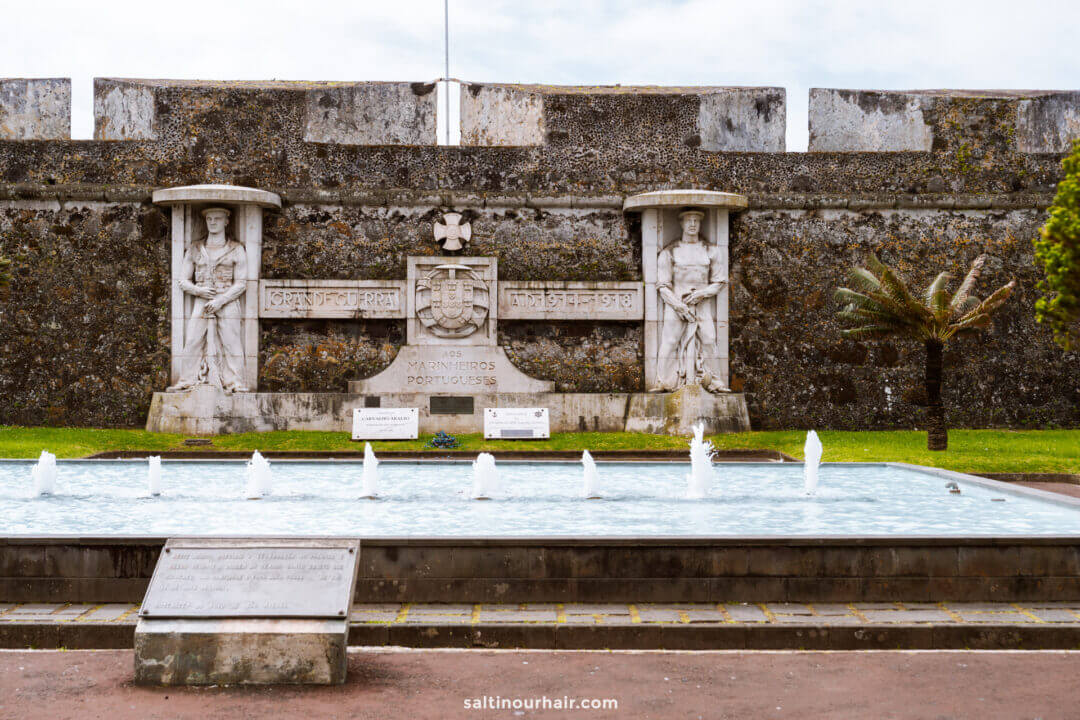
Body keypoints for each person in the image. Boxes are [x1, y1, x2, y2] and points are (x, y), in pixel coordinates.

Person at [166, 207, 249, 393]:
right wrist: (199, 291)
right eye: (209, 219)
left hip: (227, 300)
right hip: (202, 301)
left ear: (226, 221)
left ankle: (235, 382)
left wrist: (221, 300)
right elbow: (182, 280)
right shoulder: (195, 248)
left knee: (232, 341)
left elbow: (242, 283)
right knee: (193, 339)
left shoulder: (236, 249)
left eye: (217, 218)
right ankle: (187, 380)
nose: (212, 222)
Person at [652, 208, 729, 393]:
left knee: (710, 340)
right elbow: (662, 285)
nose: (693, 224)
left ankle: (715, 381)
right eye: (689, 220)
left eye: (696, 220)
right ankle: (663, 380)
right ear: (682, 224)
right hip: (676, 304)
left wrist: (702, 294)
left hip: (701, 304)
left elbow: (719, 281)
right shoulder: (669, 252)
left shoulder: (711, 250)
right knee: (669, 341)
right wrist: (678, 306)